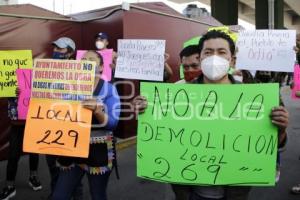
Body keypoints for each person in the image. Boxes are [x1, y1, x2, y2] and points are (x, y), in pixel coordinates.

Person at [133, 30, 289, 200]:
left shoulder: (254, 97)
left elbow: (274, 145)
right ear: (200, 58)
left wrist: (280, 130)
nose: (214, 57)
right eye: (208, 52)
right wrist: (145, 111)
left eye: (221, 52)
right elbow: (158, 137)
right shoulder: (176, 96)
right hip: (188, 192)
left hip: (236, 193)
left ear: (232, 60)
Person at [51, 50, 121, 200]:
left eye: (91, 59)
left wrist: (97, 111)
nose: (86, 62)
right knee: (59, 195)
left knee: (98, 195)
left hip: (97, 151)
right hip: (71, 148)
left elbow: (113, 123)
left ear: (101, 67)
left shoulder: (109, 89)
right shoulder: (68, 87)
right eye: (83, 59)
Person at [45, 37, 84, 200]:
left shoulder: (81, 71)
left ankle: (76, 196)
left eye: (60, 49)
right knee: (52, 167)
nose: (56, 51)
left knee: (71, 168)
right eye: (55, 48)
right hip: (48, 127)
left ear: (70, 52)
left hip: (70, 128)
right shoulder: (45, 70)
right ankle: (55, 194)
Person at [0, 89, 42, 200]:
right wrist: (9, 92)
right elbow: (3, 88)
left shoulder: (36, 72)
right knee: (13, 153)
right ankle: (9, 186)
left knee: (34, 150)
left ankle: (33, 177)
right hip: (17, 119)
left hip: (33, 115)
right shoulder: (7, 72)